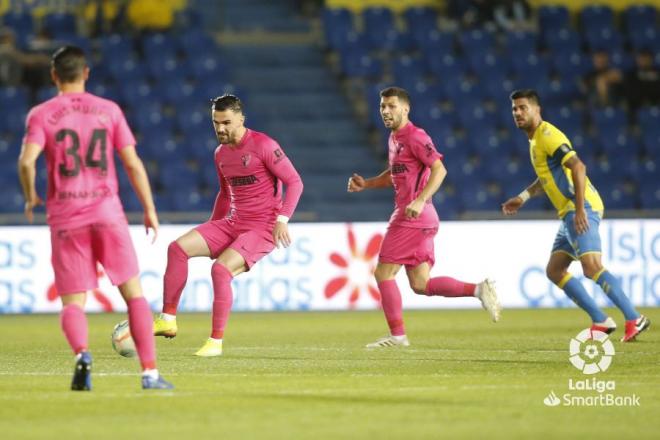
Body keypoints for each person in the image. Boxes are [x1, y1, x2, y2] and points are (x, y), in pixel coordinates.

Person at [17, 45, 173, 390]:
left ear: (55, 75)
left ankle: (82, 354)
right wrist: (149, 208)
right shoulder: (109, 111)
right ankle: (150, 373)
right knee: (133, 295)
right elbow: (132, 163)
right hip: (107, 213)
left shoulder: (41, 114)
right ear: (86, 73)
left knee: (73, 301)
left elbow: (27, 162)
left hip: (66, 217)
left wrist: (31, 195)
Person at [347, 86, 502, 348]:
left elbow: (439, 170)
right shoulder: (395, 138)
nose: (385, 111)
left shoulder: (416, 136)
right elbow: (395, 173)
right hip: (421, 217)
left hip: (413, 215)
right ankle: (478, 289)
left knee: (383, 273)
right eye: (382, 106)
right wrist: (368, 184)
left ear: (405, 109)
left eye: (392, 106)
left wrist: (419, 200)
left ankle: (398, 336)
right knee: (421, 284)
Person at [153, 94, 304, 357]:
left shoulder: (264, 145)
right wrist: (211, 228)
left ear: (241, 119)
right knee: (177, 248)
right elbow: (225, 194)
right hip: (233, 222)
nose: (221, 129)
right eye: (216, 123)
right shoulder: (220, 153)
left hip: (262, 228)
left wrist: (283, 220)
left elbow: (295, 182)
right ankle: (167, 317)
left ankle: (215, 342)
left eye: (226, 122)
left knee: (220, 270)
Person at [502, 89, 650, 342]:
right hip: (568, 212)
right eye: (514, 108)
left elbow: (578, 166)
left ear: (537, 110)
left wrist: (580, 209)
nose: (517, 112)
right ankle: (601, 320)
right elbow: (545, 178)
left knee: (592, 267)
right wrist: (523, 197)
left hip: (579, 208)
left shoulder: (548, 136)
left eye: (523, 107)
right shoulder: (535, 140)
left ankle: (634, 318)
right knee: (555, 270)